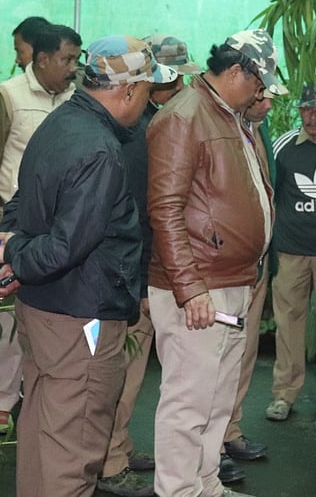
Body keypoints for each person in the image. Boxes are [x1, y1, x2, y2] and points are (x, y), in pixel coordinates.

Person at [0, 35, 177, 497]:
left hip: (45, 310)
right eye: (148, 93)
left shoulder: (58, 123)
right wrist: (15, 256)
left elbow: (21, 208)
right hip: (81, 320)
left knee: (42, 434)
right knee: (74, 451)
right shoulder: (100, 150)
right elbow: (63, 248)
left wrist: (11, 256)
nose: (147, 103)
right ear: (129, 91)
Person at [147, 29, 287, 497]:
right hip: (200, 286)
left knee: (217, 395)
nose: (262, 93)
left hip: (230, 281)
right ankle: (179, 490)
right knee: (189, 401)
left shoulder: (226, 114)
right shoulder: (185, 116)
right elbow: (165, 207)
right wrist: (190, 289)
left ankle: (205, 484)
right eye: (259, 83)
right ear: (234, 73)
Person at [97, 33, 202, 497]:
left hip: (145, 269)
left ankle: (117, 448)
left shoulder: (151, 123)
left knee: (130, 369)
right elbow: (140, 212)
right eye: (171, 76)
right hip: (134, 271)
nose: (178, 84)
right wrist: (139, 281)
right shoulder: (141, 132)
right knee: (122, 368)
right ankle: (108, 461)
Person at [0, 22, 82, 432]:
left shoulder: (79, 100)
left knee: (50, 315)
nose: (74, 68)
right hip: (10, 225)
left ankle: (37, 401)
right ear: (43, 59)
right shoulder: (6, 96)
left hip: (62, 231)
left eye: (76, 59)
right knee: (6, 315)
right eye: (67, 59)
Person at [265, 83, 316, 424]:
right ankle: (284, 394)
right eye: (307, 109)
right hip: (291, 251)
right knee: (287, 323)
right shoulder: (284, 146)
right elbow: (268, 195)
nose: (313, 117)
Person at [217, 91, 279, 486]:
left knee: (243, 349)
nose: (268, 104)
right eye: (262, 96)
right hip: (225, 266)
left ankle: (230, 431)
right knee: (216, 356)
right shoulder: (217, 127)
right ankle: (210, 450)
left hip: (256, 263)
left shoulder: (259, 127)